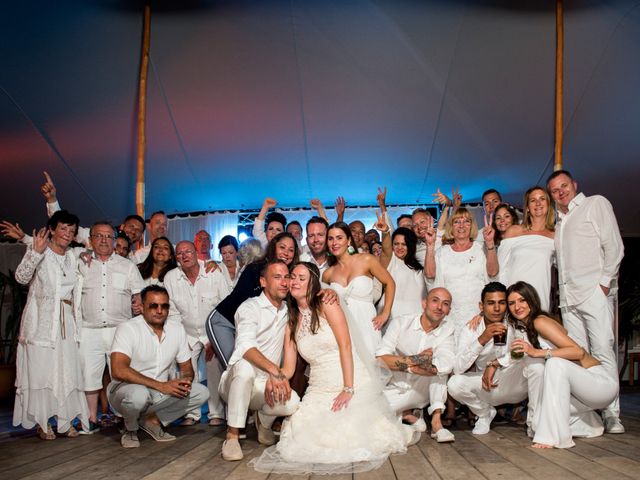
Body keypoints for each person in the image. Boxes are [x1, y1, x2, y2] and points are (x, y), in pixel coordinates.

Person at [251, 262, 411, 474]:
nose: (295, 282)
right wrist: (275, 375)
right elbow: (288, 369)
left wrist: (348, 388)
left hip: (347, 377)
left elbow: (346, 345)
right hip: (318, 386)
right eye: (293, 277)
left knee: (346, 437)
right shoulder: (291, 321)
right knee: (299, 439)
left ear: (312, 284)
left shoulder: (326, 304)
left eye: (302, 278)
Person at [547, 170, 624, 433]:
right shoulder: (559, 222)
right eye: (555, 190)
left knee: (603, 350)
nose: (560, 192)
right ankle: (588, 414)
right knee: (579, 356)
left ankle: (612, 413)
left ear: (574, 185)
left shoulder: (595, 204)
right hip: (569, 301)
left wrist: (603, 284)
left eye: (564, 186)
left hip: (592, 292)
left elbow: (614, 246)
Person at [507, 281, 618, 448]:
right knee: (538, 420)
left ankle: (554, 438)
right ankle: (590, 425)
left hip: (600, 384)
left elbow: (577, 352)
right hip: (582, 393)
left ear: (532, 300)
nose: (517, 306)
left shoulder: (539, 321)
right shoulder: (526, 327)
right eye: (512, 303)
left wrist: (537, 352)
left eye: (522, 300)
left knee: (555, 363)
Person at [13, 210, 89, 439]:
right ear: (53, 230)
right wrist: (34, 252)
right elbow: (21, 277)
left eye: (72, 231)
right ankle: (42, 421)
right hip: (42, 324)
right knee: (42, 371)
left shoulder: (74, 256)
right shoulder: (40, 252)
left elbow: (93, 241)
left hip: (67, 323)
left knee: (65, 372)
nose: (68, 234)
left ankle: (65, 421)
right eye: (63, 228)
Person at [218, 260, 301, 461]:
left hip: (265, 383)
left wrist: (278, 376)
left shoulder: (289, 312)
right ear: (263, 282)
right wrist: (274, 370)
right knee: (245, 369)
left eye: (287, 276)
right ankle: (232, 436)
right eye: (277, 277)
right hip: (235, 381)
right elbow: (245, 347)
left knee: (293, 403)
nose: (284, 282)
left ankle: (263, 422)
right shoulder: (249, 307)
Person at [108, 285, 209, 448]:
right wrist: (161, 386)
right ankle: (130, 428)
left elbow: (186, 368)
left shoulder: (176, 329)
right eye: (153, 306)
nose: (159, 310)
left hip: (158, 391)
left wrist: (184, 381)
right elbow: (118, 370)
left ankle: (151, 420)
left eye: (164, 306)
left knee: (201, 392)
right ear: (141, 307)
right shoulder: (128, 328)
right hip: (126, 389)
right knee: (138, 395)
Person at [77, 221, 145, 433]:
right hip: (89, 329)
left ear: (115, 240)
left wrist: (138, 304)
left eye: (108, 236)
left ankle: (123, 418)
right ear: (91, 240)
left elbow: (138, 296)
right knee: (89, 375)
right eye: (99, 236)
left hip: (120, 329)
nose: (104, 240)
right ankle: (89, 418)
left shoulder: (128, 266)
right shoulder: (81, 263)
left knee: (121, 375)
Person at [205, 233, 299, 370]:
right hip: (223, 321)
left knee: (252, 369)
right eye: (282, 247)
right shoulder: (255, 269)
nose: (286, 253)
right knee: (236, 369)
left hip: (244, 326)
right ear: (274, 248)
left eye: (291, 250)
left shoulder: (289, 276)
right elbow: (244, 306)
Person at [164, 241, 231, 427]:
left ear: (196, 253)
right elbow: (172, 312)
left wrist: (214, 338)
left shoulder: (213, 272)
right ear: (176, 258)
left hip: (212, 331)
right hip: (186, 333)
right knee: (186, 372)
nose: (185, 255)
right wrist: (180, 340)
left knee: (214, 368)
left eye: (188, 251)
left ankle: (216, 413)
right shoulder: (171, 278)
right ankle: (191, 413)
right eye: (180, 253)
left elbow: (225, 305)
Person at [377, 287, 456, 443]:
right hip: (397, 387)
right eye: (435, 301)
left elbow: (446, 363)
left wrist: (413, 366)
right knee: (373, 415)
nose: (439, 307)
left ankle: (436, 423)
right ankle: (406, 414)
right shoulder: (401, 323)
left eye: (445, 304)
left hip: (423, 390)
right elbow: (380, 358)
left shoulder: (448, 329)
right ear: (424, 303)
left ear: (449, 310)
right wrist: (414, 361)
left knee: (439, 370)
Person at [448, 282, 527, 435]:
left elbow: (523, 351)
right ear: (481, 306)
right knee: (454, 384)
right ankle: (484, 414)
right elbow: (457, 368)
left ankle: (536, 418)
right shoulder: (471, 329)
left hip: (514, 383)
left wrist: (496, 364)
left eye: (501, 303)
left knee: (533, 365)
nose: (497, 309)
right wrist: (481, 339)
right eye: (491, 303)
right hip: (487, 387)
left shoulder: (515, 323)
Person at [322, 222, 395, 359]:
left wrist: (385, 313)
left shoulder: (367, 260)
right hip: (341, 327)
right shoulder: (328, 274)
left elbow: (390, 282)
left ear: (348, 240)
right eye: (330, 239)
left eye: (339, 238)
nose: (334, 242)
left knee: (369, 368)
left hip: (367, 325)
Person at [426, 207, 498, 338]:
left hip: (478, 314)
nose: (461, 226)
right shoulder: (442, 252)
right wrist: (430, 246)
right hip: (450, 315)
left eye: (466, 221)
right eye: (457, 222)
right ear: (451, 227)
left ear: (472, 226)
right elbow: (430, 275)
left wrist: (490, 243)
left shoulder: (481, 248)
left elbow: (493, 273)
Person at [498, 187, 555, 311]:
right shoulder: (514, 231)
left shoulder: (555, 235)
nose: (538, 203)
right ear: (527, 207)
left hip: (540, 295)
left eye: (542, 199)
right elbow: (501, 269)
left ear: (548, 204)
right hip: (513, 297)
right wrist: (503, 298)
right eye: (533, 200)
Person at [376, 221, 426, 321]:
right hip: (392, 318)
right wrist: (386, 232)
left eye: (404, 244)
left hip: (416, 319)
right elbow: (386, 251)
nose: (399, 247)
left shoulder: (418, 268)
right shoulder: (391, 259)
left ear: (411, 246)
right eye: (396, 244)